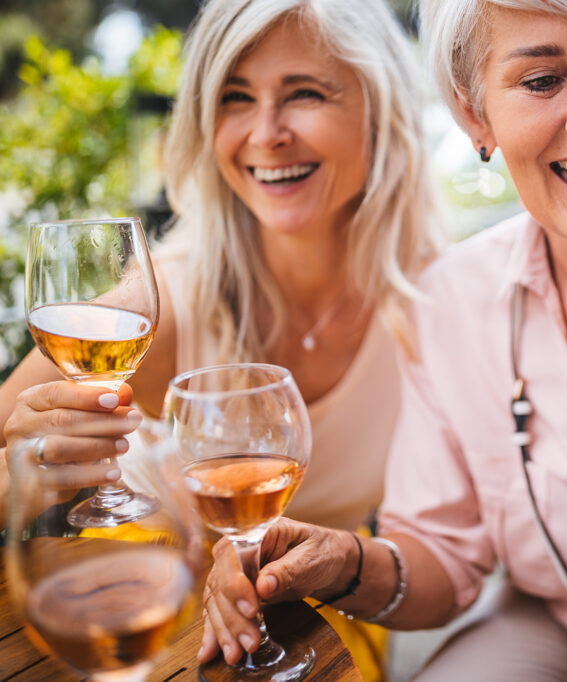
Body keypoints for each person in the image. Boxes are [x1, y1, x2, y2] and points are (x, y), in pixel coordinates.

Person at [198, 0, 567, 679]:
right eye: (542, 81)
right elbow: (442, 556)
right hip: (553, 625)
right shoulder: (451, 302)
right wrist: (344, 560)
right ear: (474, 115)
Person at [0, 0, 440, 676]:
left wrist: (332, 567)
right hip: (150, 618)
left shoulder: (438, 304)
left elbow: (442, 548)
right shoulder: (163, 305)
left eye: (305, 93)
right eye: (235, 98)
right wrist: (26, 477)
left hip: (321, 620)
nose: (266, 133)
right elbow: (11, 451)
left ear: (382, 109)